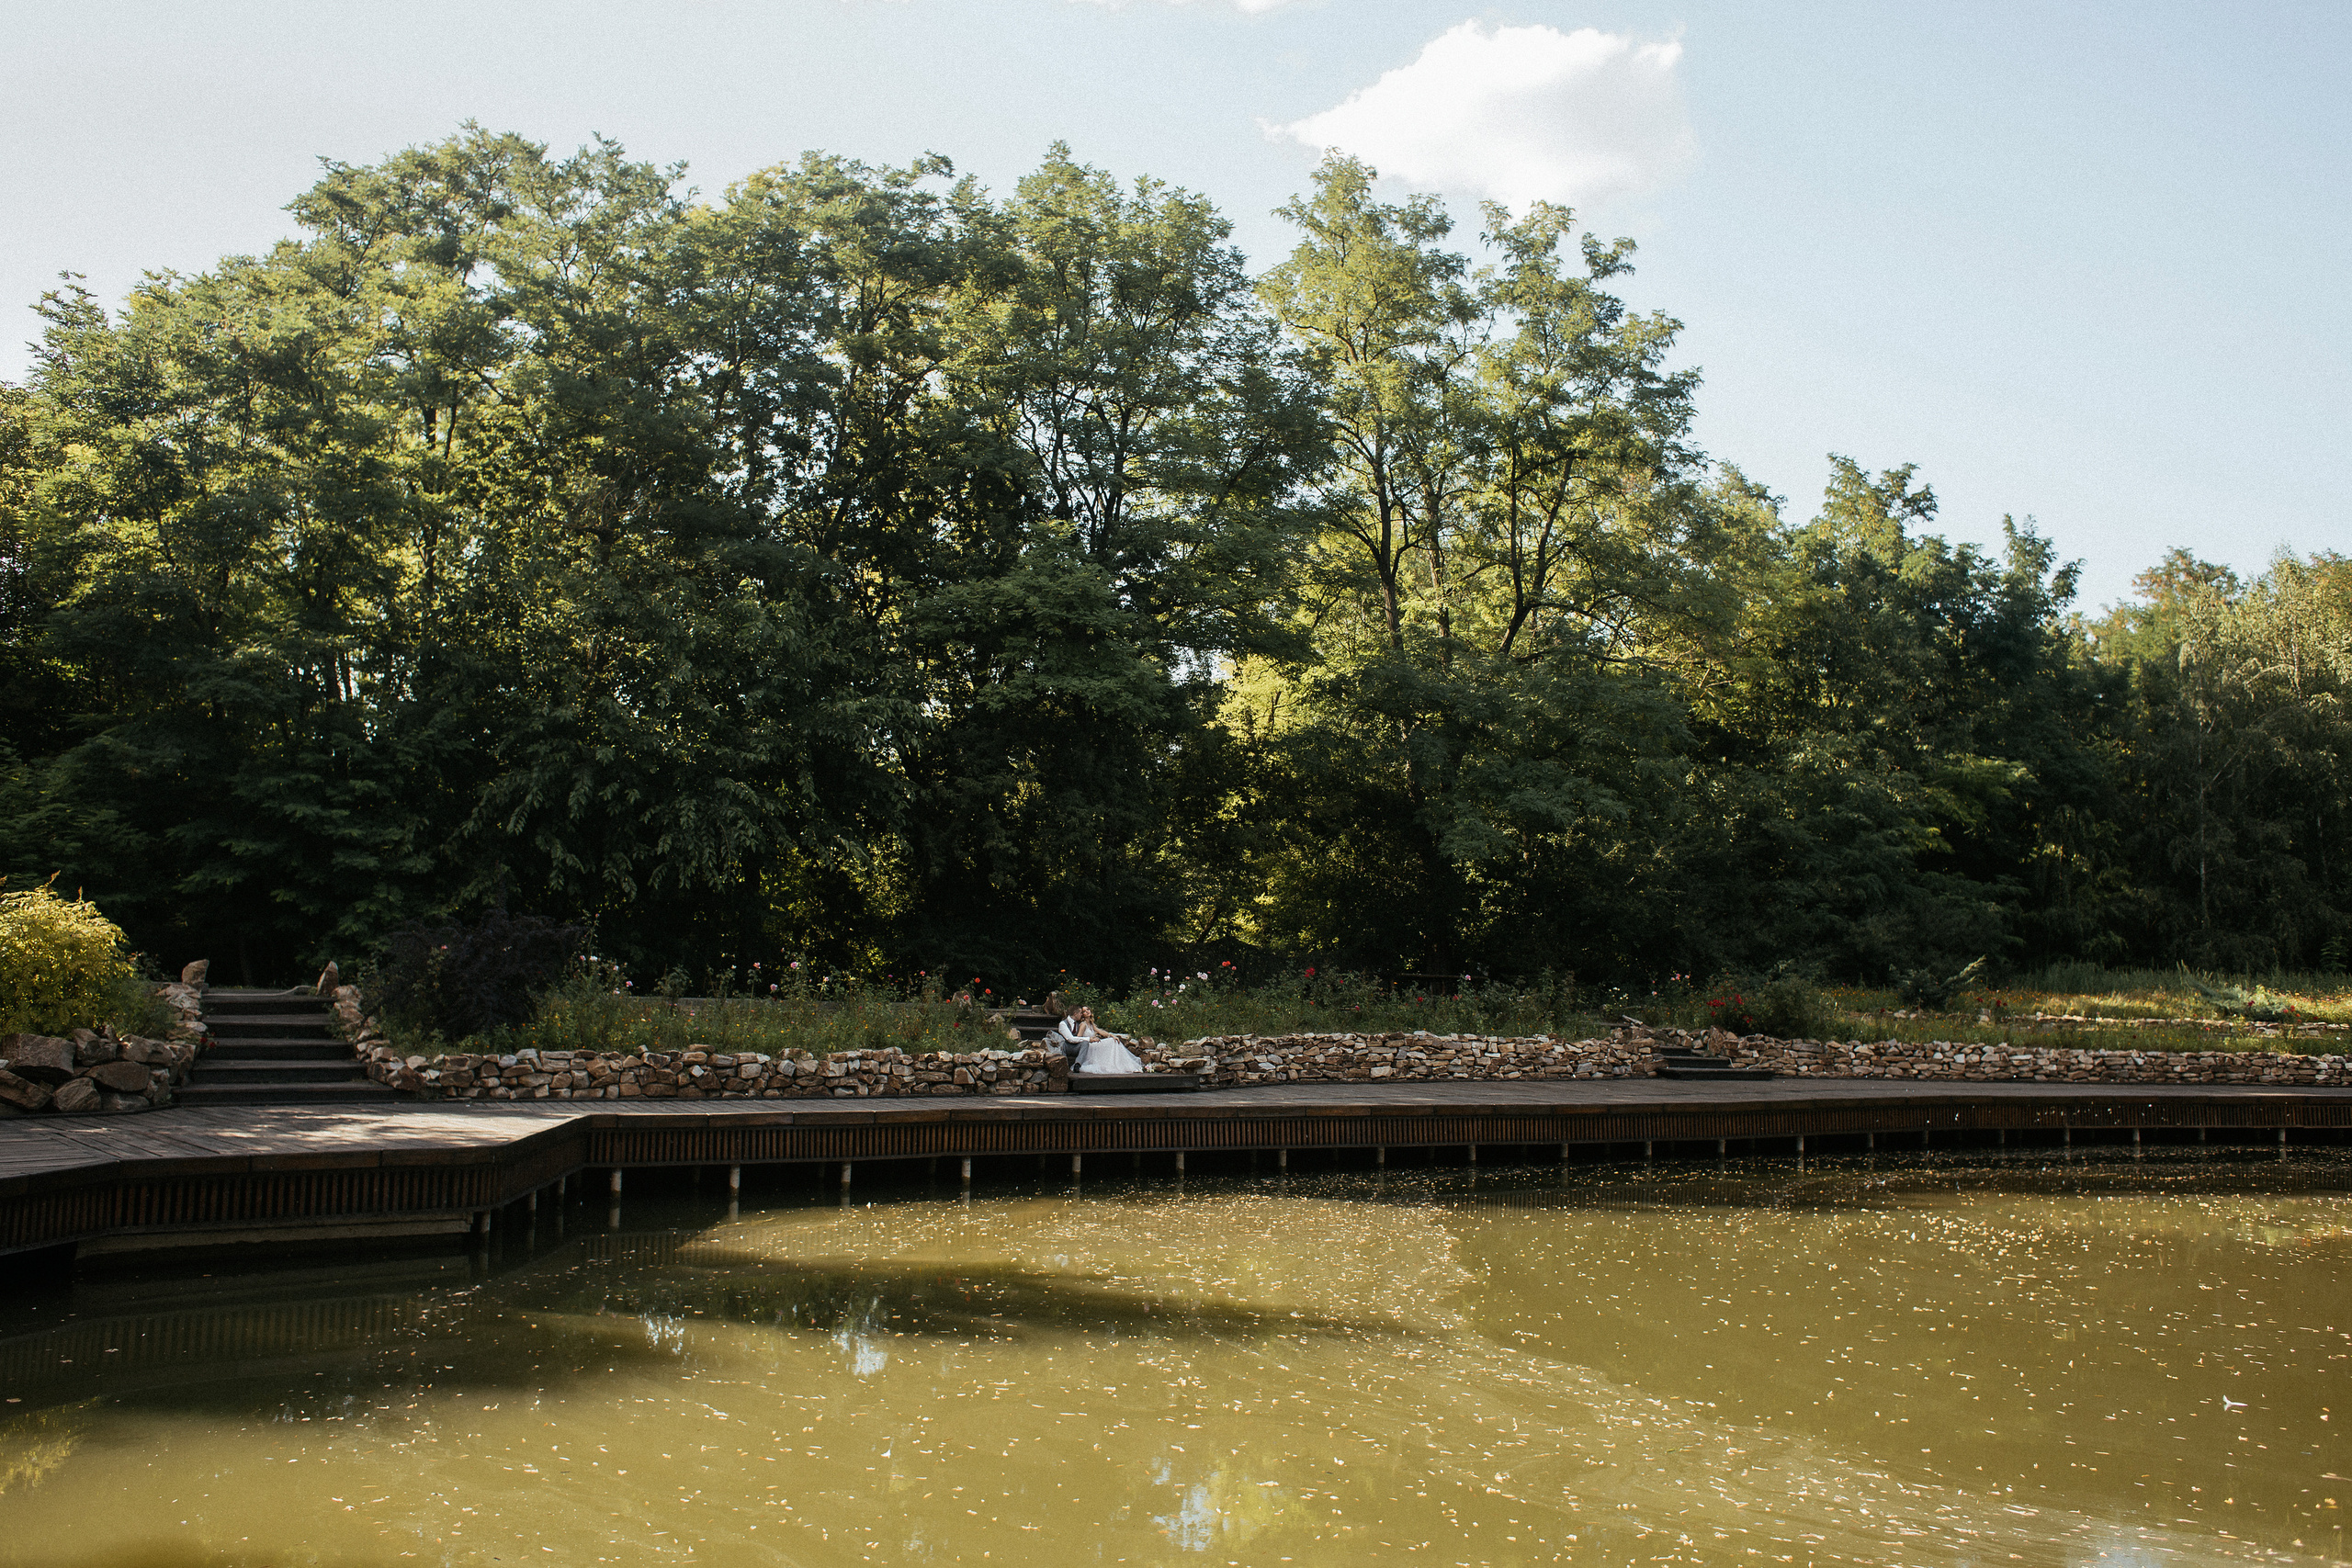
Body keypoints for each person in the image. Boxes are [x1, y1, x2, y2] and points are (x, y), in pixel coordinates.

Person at [1057, 1006, 1143, 1075]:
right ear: (1079, 1014)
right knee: (1109, 1043)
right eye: (1084, 1011)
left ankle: (1120, 1064)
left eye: (1088, 1009)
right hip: (1085, 1045)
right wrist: (1090, 1039)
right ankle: (1078, 1065)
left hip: (1091, 1043)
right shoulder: (1082, 1025)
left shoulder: (1090, 1024)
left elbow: (1100, 1031)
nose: (1087, 1012)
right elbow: (1078, 1038)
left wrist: (1111, 1035)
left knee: (1112, 1041)